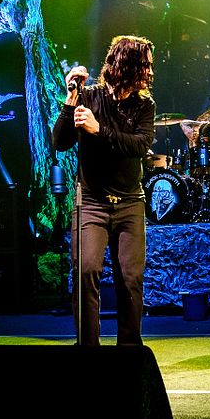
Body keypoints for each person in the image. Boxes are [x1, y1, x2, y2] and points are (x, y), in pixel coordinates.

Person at [52, 35, 156, 345]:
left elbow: (139, 146)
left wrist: (100, 130)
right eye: (146, 65)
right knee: (85, 272)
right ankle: (88, 349)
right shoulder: (90, 98)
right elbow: (60, 142)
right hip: (92, 202)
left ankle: (129, 349)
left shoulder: (144, 105)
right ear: (127, 65)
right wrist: (71, 101)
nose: (150, 72)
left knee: (130, 278)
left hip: (129, 202)